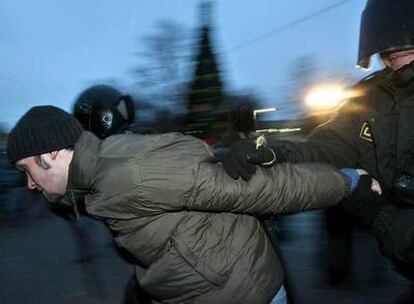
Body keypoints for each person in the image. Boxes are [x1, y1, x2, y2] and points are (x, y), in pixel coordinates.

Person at [7, 105, 366, 304]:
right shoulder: (96, 177)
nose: (27, 184)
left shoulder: (132, 173)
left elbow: (257, 189)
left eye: (27, 170)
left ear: (52, 153)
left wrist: (347, 182)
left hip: (242, 293)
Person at [221, 0, 414, 280]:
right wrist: (273, 152)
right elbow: (329, 145)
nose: (394, 50)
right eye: (388, 35)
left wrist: (377, 214)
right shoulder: (371, 95)